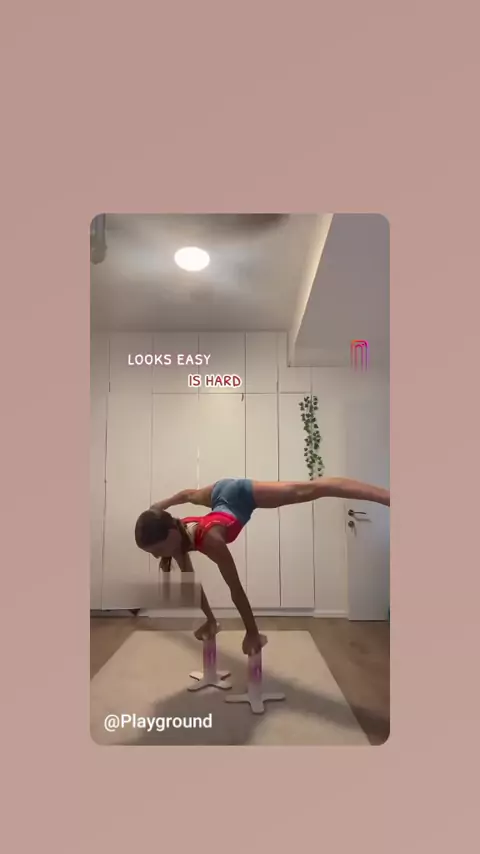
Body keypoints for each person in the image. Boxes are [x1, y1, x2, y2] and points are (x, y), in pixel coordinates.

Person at [134, 476, 390, 656]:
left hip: (238, 494)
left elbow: (235, 589)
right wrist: (211, 620)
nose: (157, 557)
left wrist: (252, 633)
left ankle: (388, 496)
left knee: (309, 490)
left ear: (171, 535)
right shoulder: (178, 537)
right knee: (189, 497)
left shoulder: (211, 540)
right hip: (218, 494)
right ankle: (212, 622)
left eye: (156, 550)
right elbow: (191, 585)